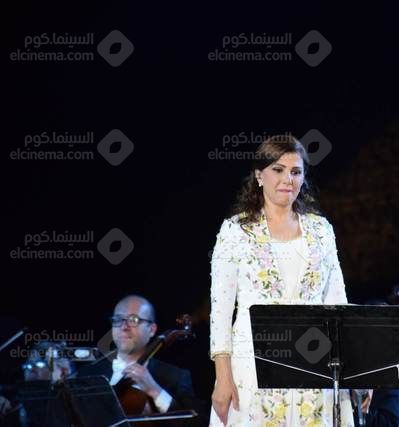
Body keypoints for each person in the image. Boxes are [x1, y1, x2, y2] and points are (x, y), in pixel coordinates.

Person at [209, 135, 352, 426]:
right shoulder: (236, 231)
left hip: (315, 363)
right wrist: (222, 377)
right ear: (259, 175)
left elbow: (338, 304)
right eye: (278, 169)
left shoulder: (321, 230)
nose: (288, 179)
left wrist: (353, 374)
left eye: (296, 172)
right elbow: (221, 312)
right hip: (253, 368)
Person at [80, 295, 201, 423]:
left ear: (152, 330)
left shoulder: (175, 377)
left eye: (134, 320)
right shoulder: (88, 373)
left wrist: (154, 390)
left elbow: (196, 424)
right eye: (118, 319)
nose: (124, 327)